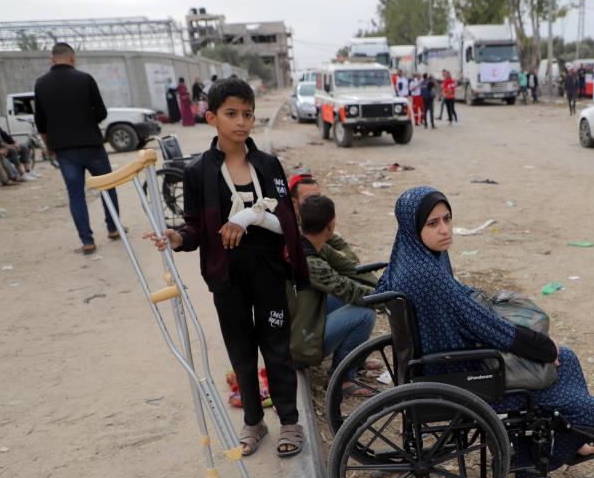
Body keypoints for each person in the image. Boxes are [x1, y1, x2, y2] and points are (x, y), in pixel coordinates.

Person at [376, 186, 594, 472]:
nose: (445, 229)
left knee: (565, 359)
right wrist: (541, 347)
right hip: (461, 376)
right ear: (414, 227)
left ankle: (568, 442)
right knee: (558, 388)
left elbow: (456, 299)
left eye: (447, 218)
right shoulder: (428, 276)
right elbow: (485, 327)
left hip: (439, 364)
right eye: (433, 223)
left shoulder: (410, 256)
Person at [143, 77, 310, 457]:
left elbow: (287, 220)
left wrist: (249, 218)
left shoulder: (268, 165)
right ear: (211, 118)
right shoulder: (198, 171)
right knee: (241, 352)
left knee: (277, 349)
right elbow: (196, 226)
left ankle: (289, 421)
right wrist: (177, 238)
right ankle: (253, 422)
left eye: (247, 114)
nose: (241, 122)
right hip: (226, 277)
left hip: (268, 272)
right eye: (231, 114)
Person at [34, 42, 122, 254]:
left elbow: (40, 122)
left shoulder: (41, 84)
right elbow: (101, 113)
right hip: (92, 144)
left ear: (51, 59)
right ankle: (113, 229)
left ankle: (87, 241)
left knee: (76, 195)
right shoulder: (85, 79)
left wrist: (49, 146)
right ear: (72, 58)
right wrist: (86, 120)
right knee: (107, 185)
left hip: (64, 150)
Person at [287, 194, 378, 394]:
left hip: (299, 326)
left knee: (358, 293)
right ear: (331, 224)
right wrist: (390, 299)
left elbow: (352, 269)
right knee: (365, 313)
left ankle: (355, 360)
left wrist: (386, 288)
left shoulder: (306, 245)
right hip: (299, 347)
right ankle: (342, 380)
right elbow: (349, 290)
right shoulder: (311, 262)